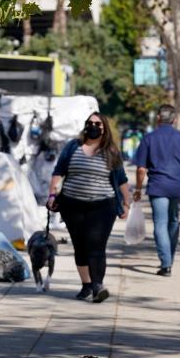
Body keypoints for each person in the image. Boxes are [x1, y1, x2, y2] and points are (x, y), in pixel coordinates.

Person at [47, 113, 130, 303]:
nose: (93, 126)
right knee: (80, 246)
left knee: (96, 245)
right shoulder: (72, 147)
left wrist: (126, 203)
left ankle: (98, 286)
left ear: (104, 128)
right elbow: (58, 172)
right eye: (90, 123)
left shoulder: (111, 151)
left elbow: (121, 179)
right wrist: (52, 195)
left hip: (103, 206)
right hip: (72, 204)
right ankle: (86, 285)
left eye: (97, 124)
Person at [132, 105, 180, 277]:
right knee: (173, 221)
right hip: (178, 187)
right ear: (175, 120)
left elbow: (141, 169)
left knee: (160, 223)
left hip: (157, 187)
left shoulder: (149, 138)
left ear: (158, 118)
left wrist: (137, 188)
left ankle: (166, 264)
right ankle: (168, 259)